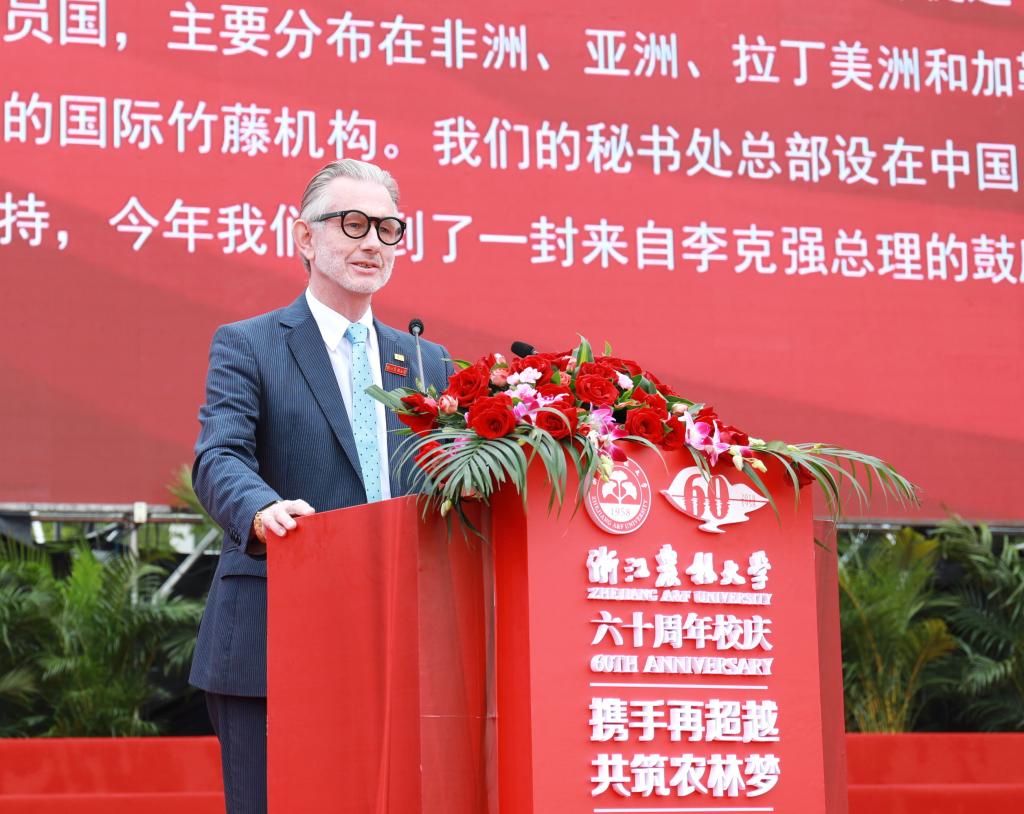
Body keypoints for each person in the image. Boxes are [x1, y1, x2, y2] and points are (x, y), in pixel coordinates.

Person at [188, 159, 452, 814]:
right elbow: (219, 455)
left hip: (398, 642)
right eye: (353, 224)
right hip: (276, 635)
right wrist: (262, 510)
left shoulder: (426, 361)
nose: (373, 243)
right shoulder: (249, 344)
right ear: (305, 237)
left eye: (388, 228)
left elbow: (445, 476)